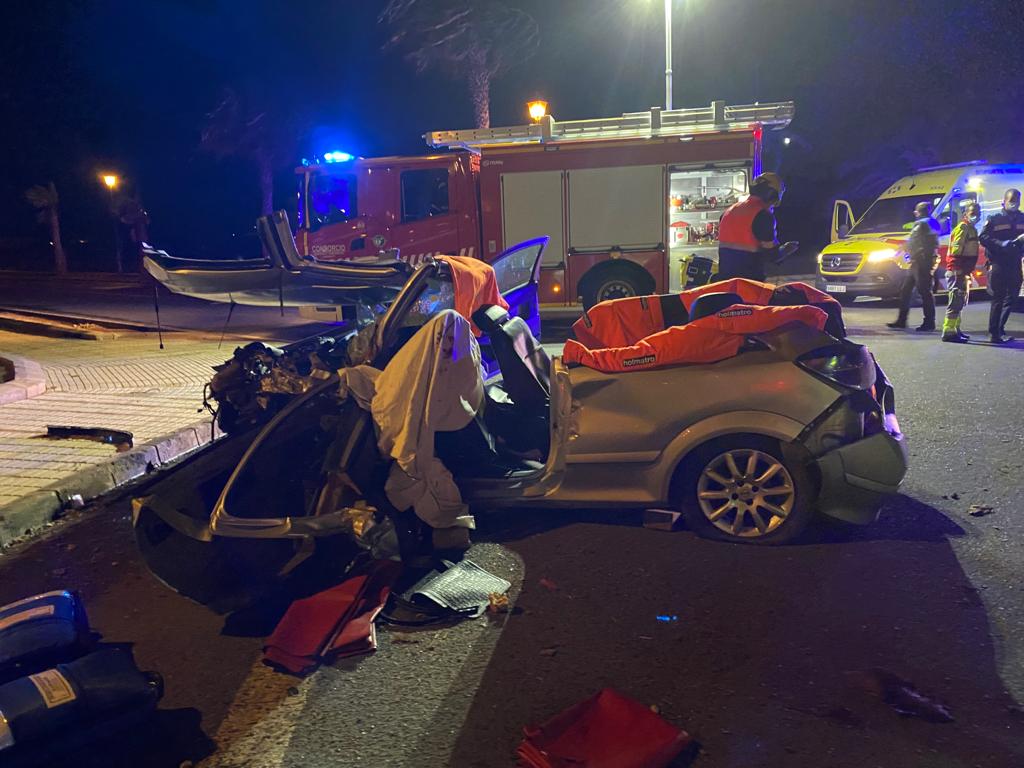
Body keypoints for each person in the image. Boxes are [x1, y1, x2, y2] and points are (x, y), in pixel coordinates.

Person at [717, 172, 796, 281]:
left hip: (725, 280)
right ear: (772, 195)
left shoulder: (729, 211)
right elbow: (771, 255)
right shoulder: (763, 216)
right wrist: (786, 250)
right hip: (749, 281)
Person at [978, 188, 1024, 344]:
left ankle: (1000, 327)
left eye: (1016, 201)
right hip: (999, 263)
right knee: (998, 298)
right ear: (1003, 201)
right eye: (1011, 201)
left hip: (1015, 263)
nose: (1014, 204)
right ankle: (994, 333)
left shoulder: (1022, 218)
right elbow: (983, 237)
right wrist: (1000, 244)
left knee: (1012, 296)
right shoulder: (995, 218)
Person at [887, 202, 938, 331]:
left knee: (924, 292)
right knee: (907, 290)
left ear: (918, 212)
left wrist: (902, 250)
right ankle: (902, 320)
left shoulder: (921, 224)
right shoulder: (933, 222)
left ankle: (928, 323)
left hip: (920, 262)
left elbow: (914, 242)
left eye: (916, 211)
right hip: (923, 261)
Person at [941, 201, 981, 342]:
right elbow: (955, 251)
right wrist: (958, 270)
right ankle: (948, 332)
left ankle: (956, 330)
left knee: (960, 302)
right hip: (957, 270)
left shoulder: (970, 228)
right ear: (965, 214)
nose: (976, 216)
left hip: (962, 271)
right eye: (972, 213)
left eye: (978, 213)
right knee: (955, 301)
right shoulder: (963, 228)